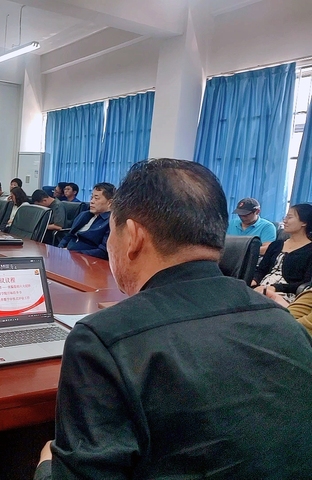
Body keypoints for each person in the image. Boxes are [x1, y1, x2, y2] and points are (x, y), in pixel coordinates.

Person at [35, 158, 312, 480]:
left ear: (133, 236)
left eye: (111, 233)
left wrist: (47, 466)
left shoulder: (103, 339)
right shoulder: (284, 323)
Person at [251, 203, 312, 301]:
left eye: (289, 217)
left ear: (304, 222)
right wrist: (254, 280)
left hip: (286, 294)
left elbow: (307, 282)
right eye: (285, 217)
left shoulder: (309, 250)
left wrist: (276, 288)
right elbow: (261, 270)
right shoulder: (276, 245)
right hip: (261, 289)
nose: (285, 221)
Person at [58, 182, 115, 259]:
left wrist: (73, 253)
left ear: (110, 203)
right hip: (67, 256)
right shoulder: (84, 215)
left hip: (86, 260)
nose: (92, 201)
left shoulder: (111, 222)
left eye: (96, 198)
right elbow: (69, 235)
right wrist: (60, 249)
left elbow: (103, 252)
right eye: (91, 197)